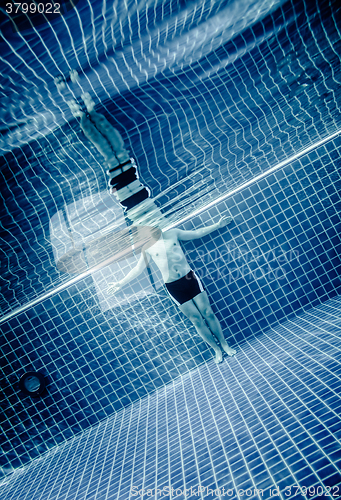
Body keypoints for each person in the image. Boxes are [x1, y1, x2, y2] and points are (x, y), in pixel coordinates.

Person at [108, 216, 237, 363]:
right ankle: (216, 349)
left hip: (190, 278)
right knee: (196, 320)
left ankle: (224, 344)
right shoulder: (148, 248)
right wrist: (120, 282)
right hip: (174, 287)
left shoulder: (173, 233)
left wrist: (217, 225)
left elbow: (196, 233)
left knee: (208, 313)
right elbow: (138, 268)